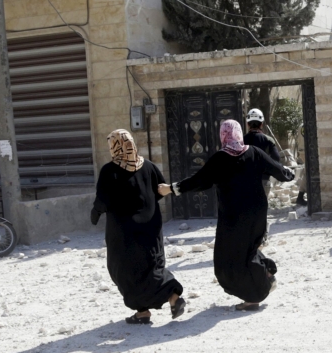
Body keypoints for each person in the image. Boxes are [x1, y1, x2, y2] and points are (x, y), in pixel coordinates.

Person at [159, 120, 294, 311]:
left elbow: (198, 181)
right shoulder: (254, 152)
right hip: (256, 213)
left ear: (222, 135)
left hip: (233, 217)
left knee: (227, 258)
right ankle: (264, 277)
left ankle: (255, 293)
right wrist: (290, 173)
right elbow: (278, 169)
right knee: (249, 251)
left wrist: (172, 188)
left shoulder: (220, 158)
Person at [91, 129, 185, 324]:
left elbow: (103, 199)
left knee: (124, 271)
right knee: (152, 265)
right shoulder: (148, 166)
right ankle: (169, 298)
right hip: (150, 228)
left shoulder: (110, 170)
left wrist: (96, 212)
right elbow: (161, 190)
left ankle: (144, 310)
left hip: (123, 233)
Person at [243, 108, 282, 198]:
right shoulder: (268, 140)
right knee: (262, 210)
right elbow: (276, 159)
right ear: (261, 124)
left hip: (246, 182)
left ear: (248, 124)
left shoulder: (242, 141)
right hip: (264, 180)